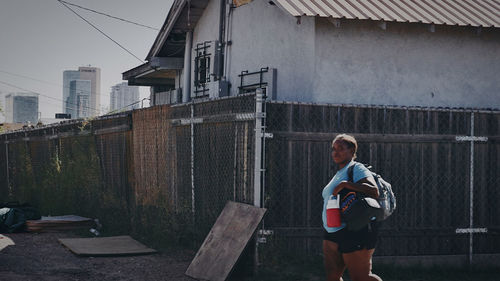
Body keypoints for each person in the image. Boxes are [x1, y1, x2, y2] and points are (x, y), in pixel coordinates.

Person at [322, 134, 382, 281]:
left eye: (341, 148)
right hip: (332, 230)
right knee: (333, 276)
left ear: (351, 151)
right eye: (333, 149)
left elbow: (374, 190)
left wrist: (345, 185)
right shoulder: (339, 173)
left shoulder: (356, 168)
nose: (335, 152)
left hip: (355, 229)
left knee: (361, 277)